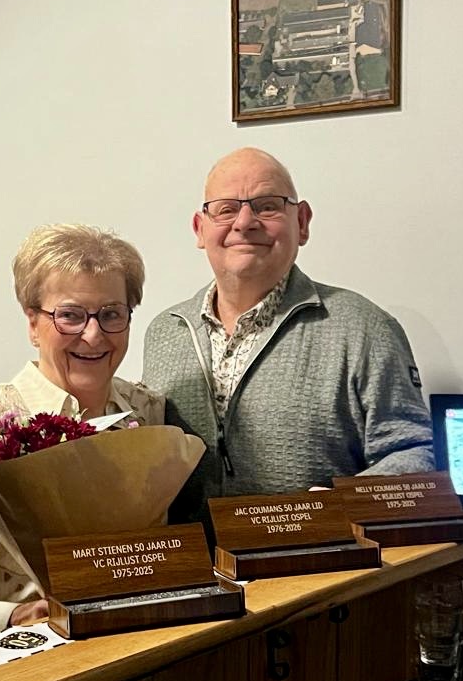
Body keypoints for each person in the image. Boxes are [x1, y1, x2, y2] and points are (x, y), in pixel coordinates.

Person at [143, 147, 432, 522]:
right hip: (194, 575)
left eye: (267, 206)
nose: (244, 222)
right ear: (200, 229)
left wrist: (333, 509)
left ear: (303, 222)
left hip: (321, 571)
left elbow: (414, 453)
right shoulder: (165, 332)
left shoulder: (363, 327)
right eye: (226, 209)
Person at [0, 224, 162, 639]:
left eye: (111, 314)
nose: (93, 335)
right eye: (70, 315)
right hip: (19, 666)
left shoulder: (149, 413)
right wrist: (12, 619)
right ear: (33, 324)